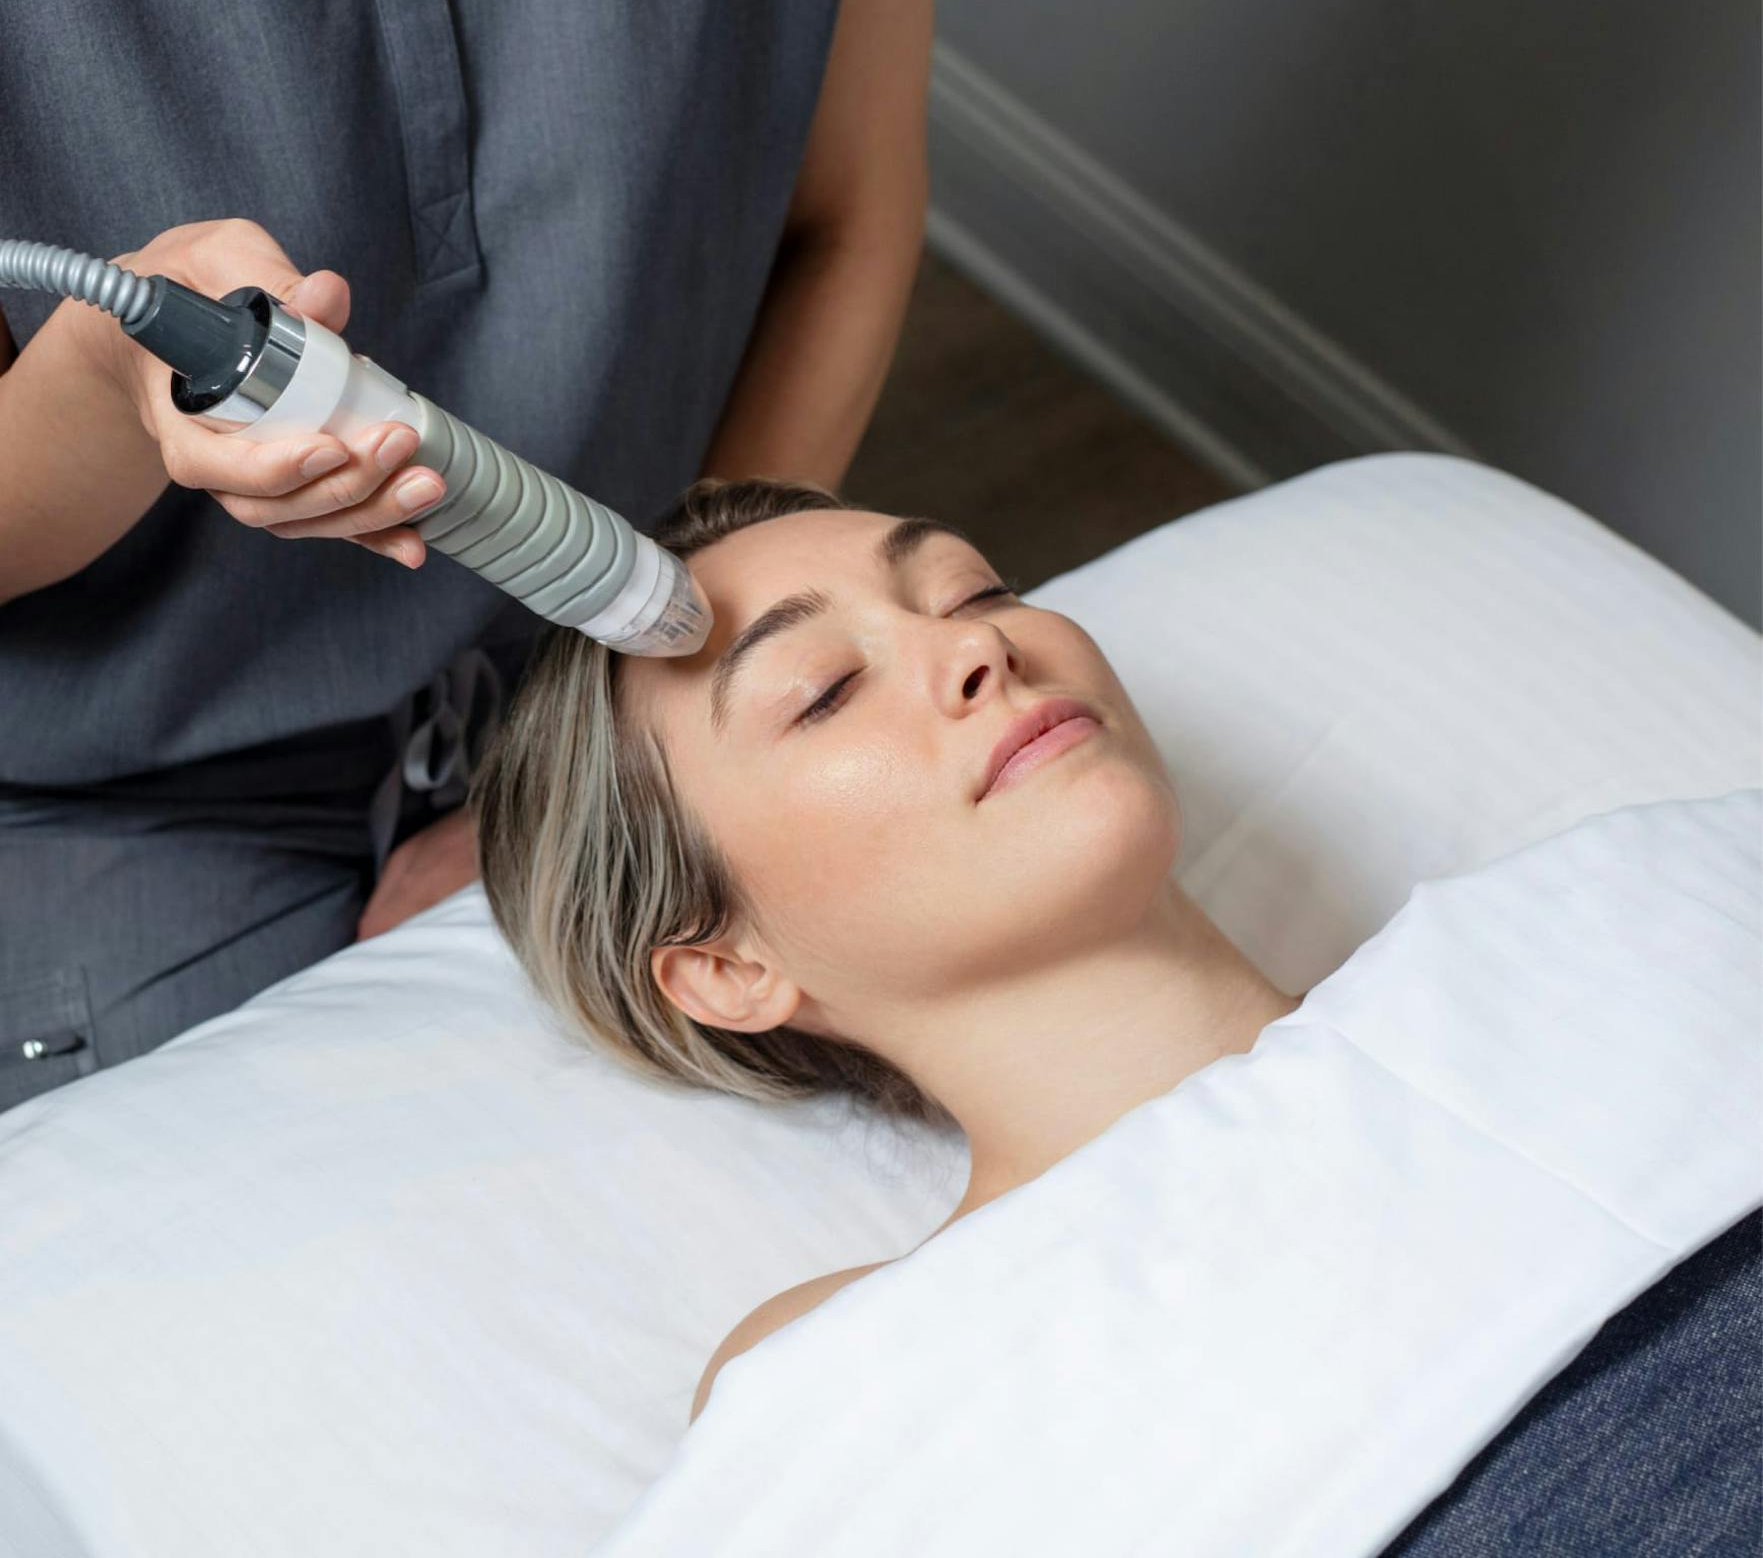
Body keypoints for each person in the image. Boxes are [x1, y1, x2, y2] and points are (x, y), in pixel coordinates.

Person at [0, 0, 951, 1115]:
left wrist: (614, 758)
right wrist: (108, 392)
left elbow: (845, 226)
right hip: (117, 795)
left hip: (613, 666)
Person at [470, 476, 1762, 1553]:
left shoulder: (1612, 913)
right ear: (727, 969)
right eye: (822, 690)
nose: (981, 647)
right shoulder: (849, 1363)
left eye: (976, 590)